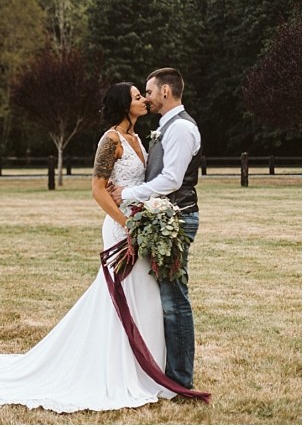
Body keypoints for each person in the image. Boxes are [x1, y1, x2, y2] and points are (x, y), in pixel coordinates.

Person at [0, 83, 186, 413]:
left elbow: (133, 185)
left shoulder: (138, 140)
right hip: (120, 228)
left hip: (137, 223)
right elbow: (97, 190)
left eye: (143, 95)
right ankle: (116, 368)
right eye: (136, 96)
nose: (143, 99)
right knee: (122, 292)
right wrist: (126, 223)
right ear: (122, 105)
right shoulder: (111, 139)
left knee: (142, 292)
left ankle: (144, 366)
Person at [108, 67, 202, 390]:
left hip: (178, 218)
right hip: (165, 217)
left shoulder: (181, 130)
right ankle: (168, 370)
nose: (146, 98)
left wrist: (129, 194)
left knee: (175, 299)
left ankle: (179, 378)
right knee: (166, 296)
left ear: (165, 92)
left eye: (149, 91)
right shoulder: (167, 128)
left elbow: (172, 180)